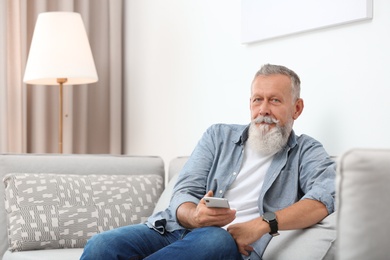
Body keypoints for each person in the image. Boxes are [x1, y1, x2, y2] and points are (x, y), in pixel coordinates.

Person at [80, 64, 336, 260]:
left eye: (275, 100)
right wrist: (195, 215)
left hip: (226, 245)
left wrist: (260, 225)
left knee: (215, 239)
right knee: (101, 245)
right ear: (250, 104)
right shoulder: (218, 136)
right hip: (173, 229)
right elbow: (184, 192)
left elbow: (325, 198)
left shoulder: (306, 151)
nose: (263, 110)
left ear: (297, 108)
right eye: (258, 99)